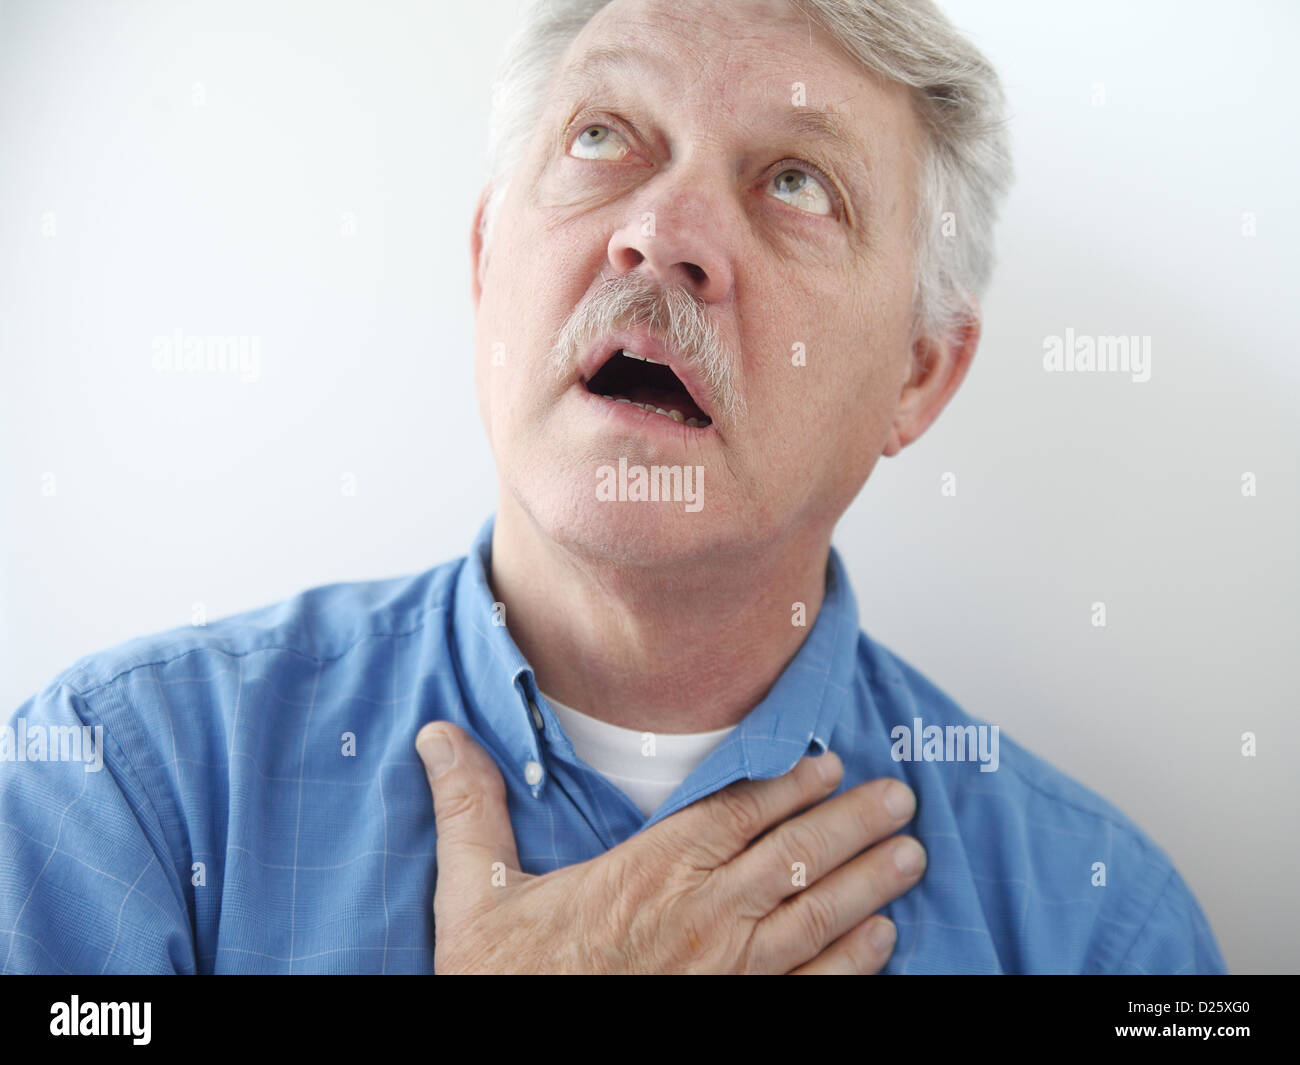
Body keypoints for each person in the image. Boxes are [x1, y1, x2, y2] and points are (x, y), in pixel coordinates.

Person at [0, 0, 1225, 974]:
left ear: (917, 375)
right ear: (489, 261)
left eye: (797, 181)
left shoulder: (1104, 933)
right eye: (603, 136)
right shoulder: (121, 790)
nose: (661, 231)